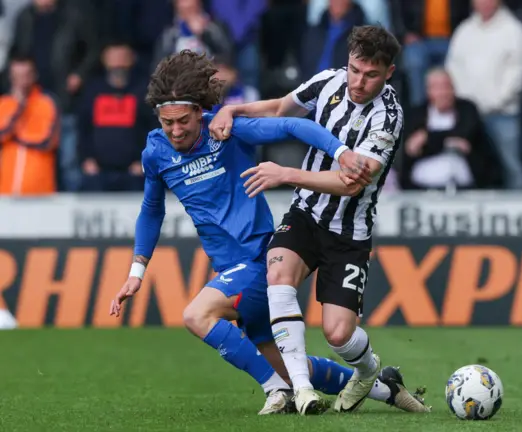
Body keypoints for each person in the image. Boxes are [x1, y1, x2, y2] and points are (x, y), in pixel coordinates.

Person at [108, 50, 427, 416]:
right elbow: (151, 210)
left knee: (196, 316)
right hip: (228, 270)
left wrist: (340, 152)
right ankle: (387, 389)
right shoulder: (155, 151)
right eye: (168, 123)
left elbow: (293, 125)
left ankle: (275, 391)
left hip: (258, 259)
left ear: (200, 111)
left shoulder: (226, 132)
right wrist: (136, 272)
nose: (176, 131)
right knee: (297, 369)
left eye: (183, 120)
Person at [209, 25, 414, 414]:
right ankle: (302, 390)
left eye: (371, 74)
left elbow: (352, 184)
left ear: (388, 72)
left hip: (349, 233)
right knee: (278, 274)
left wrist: (286, 174)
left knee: (338, 335)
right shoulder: (328, 83)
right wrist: (232, 108)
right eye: (355, 69)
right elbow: (281, 108)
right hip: (305, 214)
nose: (358, 81)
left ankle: (371, 371)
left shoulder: (388, 118)